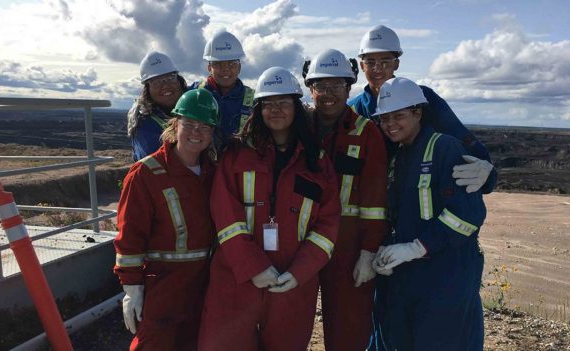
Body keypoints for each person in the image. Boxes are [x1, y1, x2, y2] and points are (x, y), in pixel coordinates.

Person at [198, 66, 341, 351]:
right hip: (237, 277)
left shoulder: (317, 160)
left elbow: (328, 224)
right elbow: (226, 215)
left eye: (283, 103)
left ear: (296, 107)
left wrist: (301, 272)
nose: (276, 110)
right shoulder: (236, 154)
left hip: (290, 282)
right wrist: (253, 267)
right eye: (268, 104)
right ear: (258, 109)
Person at [371, 77, 486, 350]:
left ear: (418, 112)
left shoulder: (445, 149)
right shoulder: (400, 156)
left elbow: (467, 216)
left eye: (398, 116)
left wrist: (417, 247)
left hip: (447, 274)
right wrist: (386, 251)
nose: (390, 125)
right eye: (384, 119)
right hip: (413, 275)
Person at [114, 89, 219, 350]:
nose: (197, 132)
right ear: (175, 124)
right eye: (190, 124)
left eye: (205, 126)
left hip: (204, 283)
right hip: (162, 285)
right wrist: (132, 286)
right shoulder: (146, 174)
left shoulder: (213, 174)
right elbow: (130, 235)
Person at [302, 49, 388, 351]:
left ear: (348, 87)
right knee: (291, 323)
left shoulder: (367, 135)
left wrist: (368, 251)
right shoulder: (298, 130)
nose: (328, 93)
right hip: (301, 242)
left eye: (336, 85)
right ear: (310, 88)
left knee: (349, 330)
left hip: (348, 248)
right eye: (321, 86)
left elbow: (376, 202)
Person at [348, 25, 496, 194]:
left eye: (385, 61)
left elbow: (459, 136)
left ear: (396, 64)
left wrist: (487, 171)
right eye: (370, 62)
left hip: (416, 199)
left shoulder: (422, 98)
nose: (377, 68)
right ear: (361, 66)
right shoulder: (354, 109)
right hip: (372, 202)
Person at [192, 30, 255, 152]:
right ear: (209, 68)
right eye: (218, 64)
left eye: (232, 64)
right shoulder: (193, 93)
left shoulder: (254, 99)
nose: (225, 69)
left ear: (239, 67)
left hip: (242, 166)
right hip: (204, 167)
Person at [127, 51, 188, 161]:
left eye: (170, 78)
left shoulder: (192, 103)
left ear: (179, 81)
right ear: (147, 89)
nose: (165, 85)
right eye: (156, 82)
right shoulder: (144, 124)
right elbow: (154, 165)